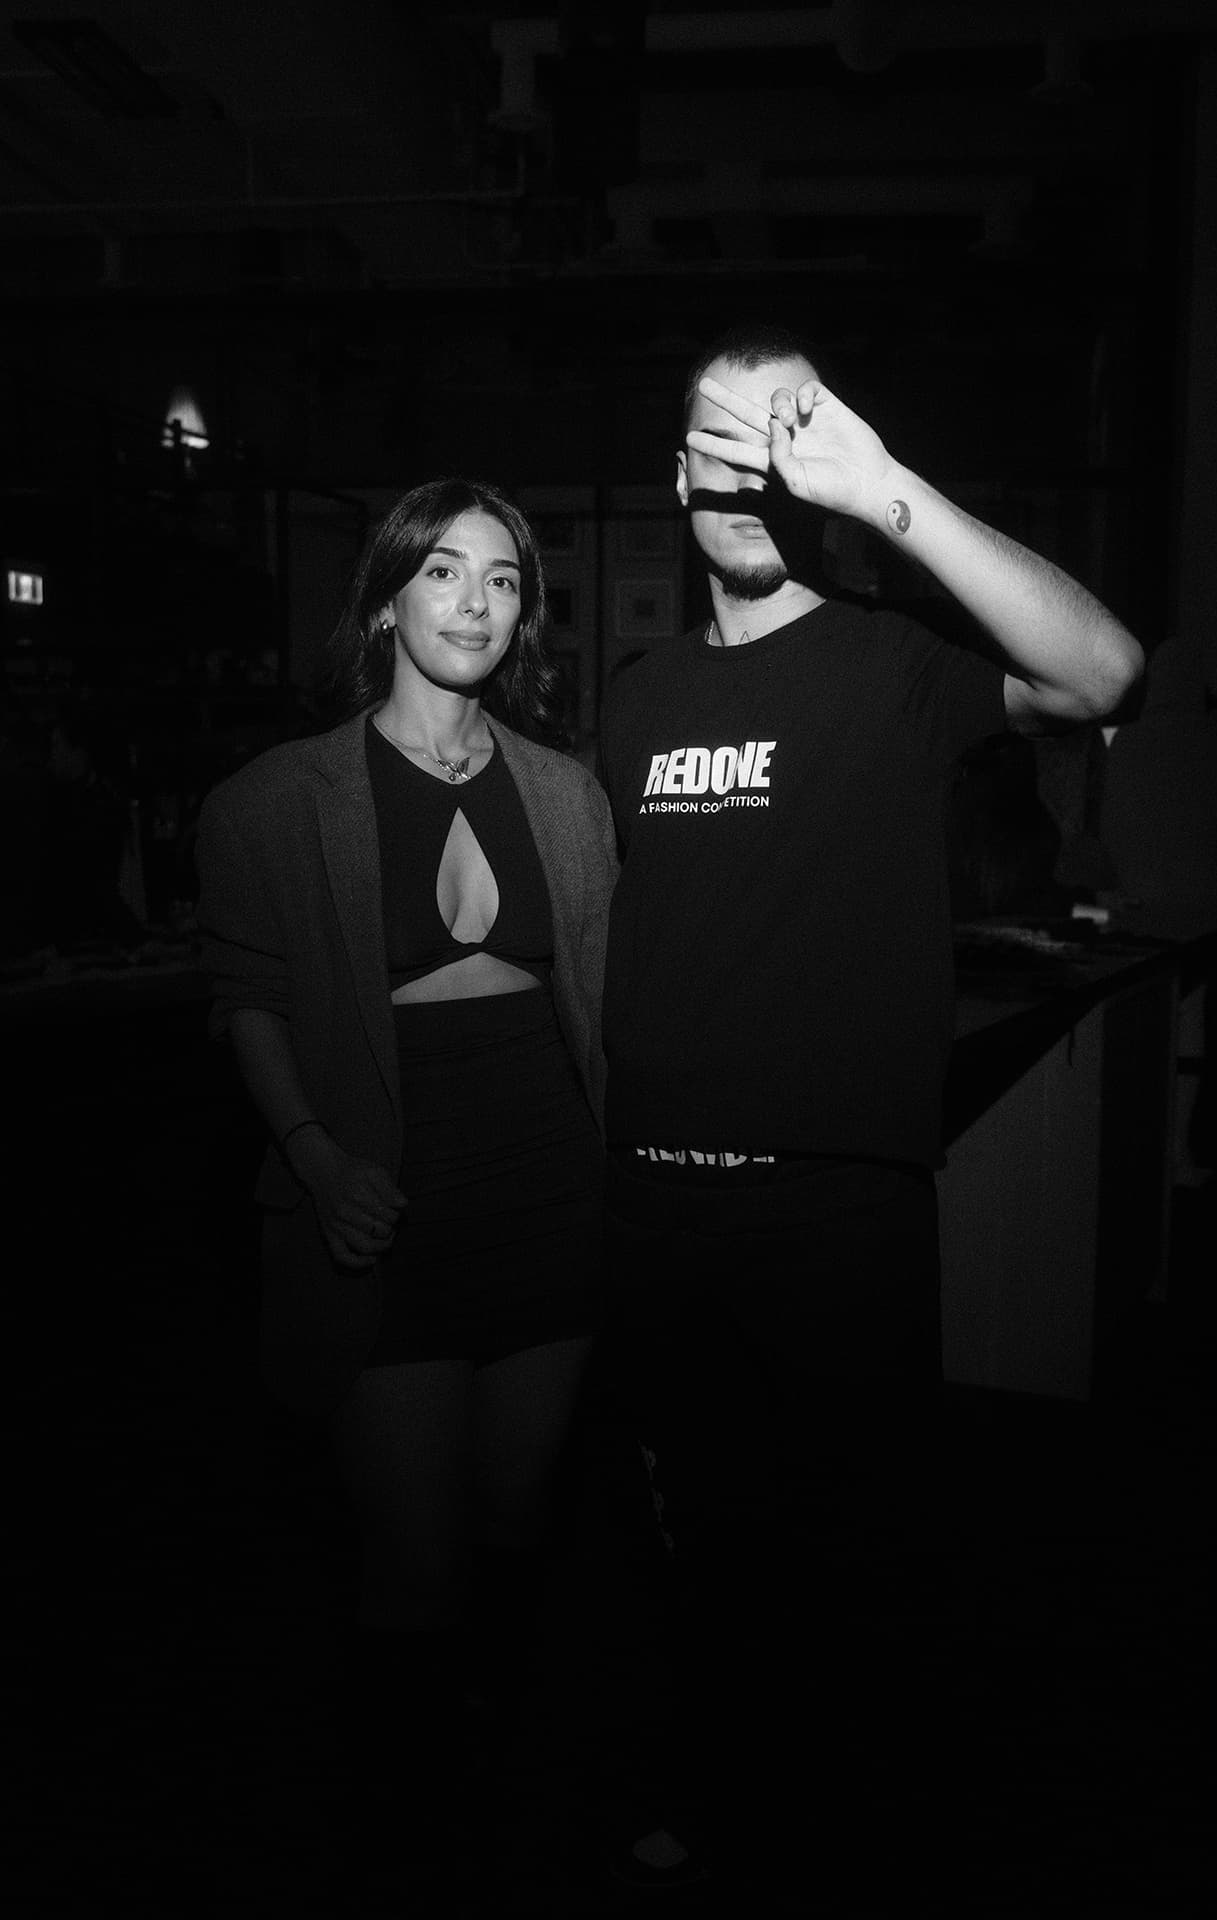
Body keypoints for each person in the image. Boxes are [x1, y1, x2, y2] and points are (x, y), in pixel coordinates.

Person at [595, 325, 1145, 1903]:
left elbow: (1103, 673)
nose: (751, 468)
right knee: (696, 1548)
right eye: (722, 440)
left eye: (787, 435)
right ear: (677, 478)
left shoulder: (896, 660)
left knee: (858, 1557)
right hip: (655, 1204)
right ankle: (723, 1808)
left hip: (835, 1209)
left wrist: (887, 488)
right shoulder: (635, 698)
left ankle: (850, 1839)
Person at [196, 477, 617, 1912]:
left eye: (503, 579)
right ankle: (408, 1837)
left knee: (516, 1514)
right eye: (444, 572)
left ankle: (507, 1792)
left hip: (549, 1190)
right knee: (414, 1553)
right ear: (386, 598)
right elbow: (250, 998)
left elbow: (608, 1004)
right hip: (388, 1197)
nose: (476, 603)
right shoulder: (276, 797)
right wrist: (318, 1159)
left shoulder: (566, 793)